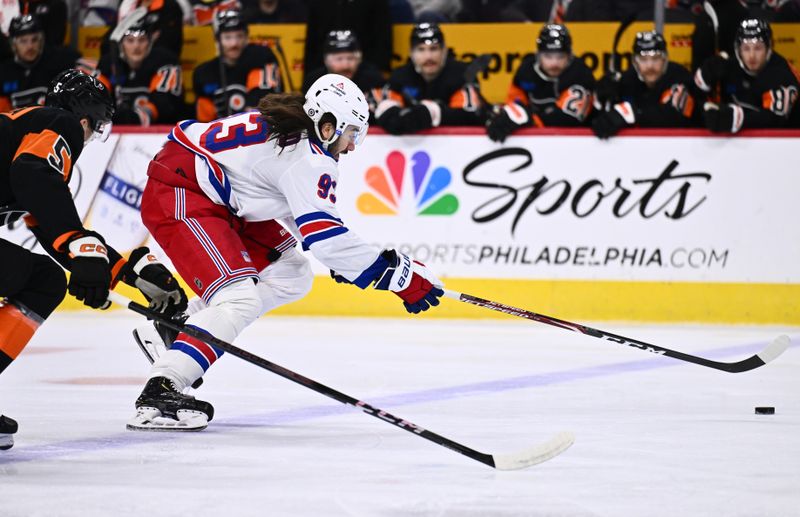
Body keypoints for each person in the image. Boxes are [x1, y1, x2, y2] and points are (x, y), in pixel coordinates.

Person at [127, 73, 444, 432]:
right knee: (240, 300)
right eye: (352, 132)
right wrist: (394, 276)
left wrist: (353, 262)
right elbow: (325, 236)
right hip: (182, 192)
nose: (353, 145)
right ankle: (161, 391)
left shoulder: (297, 131)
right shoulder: (308, 157)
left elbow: (301, 215)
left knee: (292, 273)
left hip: (218, 195)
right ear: (329, 125)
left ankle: (177, 329)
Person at [0, 69, 187, 450]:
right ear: (85, 119)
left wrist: (128, 275)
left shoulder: (26, 130)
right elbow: (33, 174)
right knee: (41, 282)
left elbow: (54, 233)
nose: (90, 136)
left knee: (42, 277)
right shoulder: (61, 123)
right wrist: (80, 246)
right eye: (96, 126)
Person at [486, 24, 594, 143]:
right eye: (548, 56)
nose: (554, 64)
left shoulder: (581, 74)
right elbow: (515, 101)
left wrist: (528, 119)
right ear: (538, 55)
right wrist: (509, 114)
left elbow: (565, 120)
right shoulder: (527, 70)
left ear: (569, 56)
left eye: (560, 57)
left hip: (577, 142)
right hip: (537, 139)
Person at [375, 22, 485, 135]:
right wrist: (388, 112)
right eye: (421, 49)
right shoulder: (400, 77)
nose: (428, 57)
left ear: (444, 50)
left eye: (434, 49)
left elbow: (471, 114)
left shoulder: (462, 75)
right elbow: (377, 106)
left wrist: (434, 112)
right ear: (411, 53)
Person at [694, 18, 799, 133]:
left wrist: (739, 119)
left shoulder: (782, 74)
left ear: (769, 48)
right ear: (738, 50)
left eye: (758, 48)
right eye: (746, 48)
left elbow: (775, 120)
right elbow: (700, 99)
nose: (752, 56)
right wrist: (703, 81)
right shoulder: (730, 66)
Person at [592, 30, 698, 139]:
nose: (650, 66)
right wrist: (600, 103)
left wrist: (635, 114)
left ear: (665, 59)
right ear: (635, 62)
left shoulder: (680, 77)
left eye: (656, 58)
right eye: (643, 59)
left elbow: (675, 117)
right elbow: (607, 117)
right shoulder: (627, 80)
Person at [193, 9, 282, 122]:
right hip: (218, 134)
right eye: (228, 37)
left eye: (239, 36)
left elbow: (264, 108)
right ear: (217, 40)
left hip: (257, 130)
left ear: (246, 38)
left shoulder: (261, 58)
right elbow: (203, 121)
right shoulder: (203, 73)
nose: (234, 43)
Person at [96, 17, 185, 126]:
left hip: (157, 134)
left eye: (142, 40)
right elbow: (94, 98)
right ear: (121, 44)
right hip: (113, 134)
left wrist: (136, 118)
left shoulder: (165, 62)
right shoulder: (108, 64)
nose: (136, 46)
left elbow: (164, 104)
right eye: (130, 40)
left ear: (150, 43)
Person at [0, 14, 86, 112]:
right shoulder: (4, 72)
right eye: (23, 41)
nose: (30, 46)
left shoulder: (61, 60)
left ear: (41, 40)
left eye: (34, 40)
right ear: (13, 44)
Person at [301, 30, 385, 115]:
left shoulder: (373, 79)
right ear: (327, 61)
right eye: (339, 59)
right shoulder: (314, 81)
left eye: (350, 58)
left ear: (359, 59)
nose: (345, 65)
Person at [303, 0, 392, 75]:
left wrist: (378, 71)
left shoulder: (376, 3)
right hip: (323, 71)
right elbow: (312, 42)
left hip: (365, 71)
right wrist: (309, 73)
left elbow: (382, 38)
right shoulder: (317, 3)